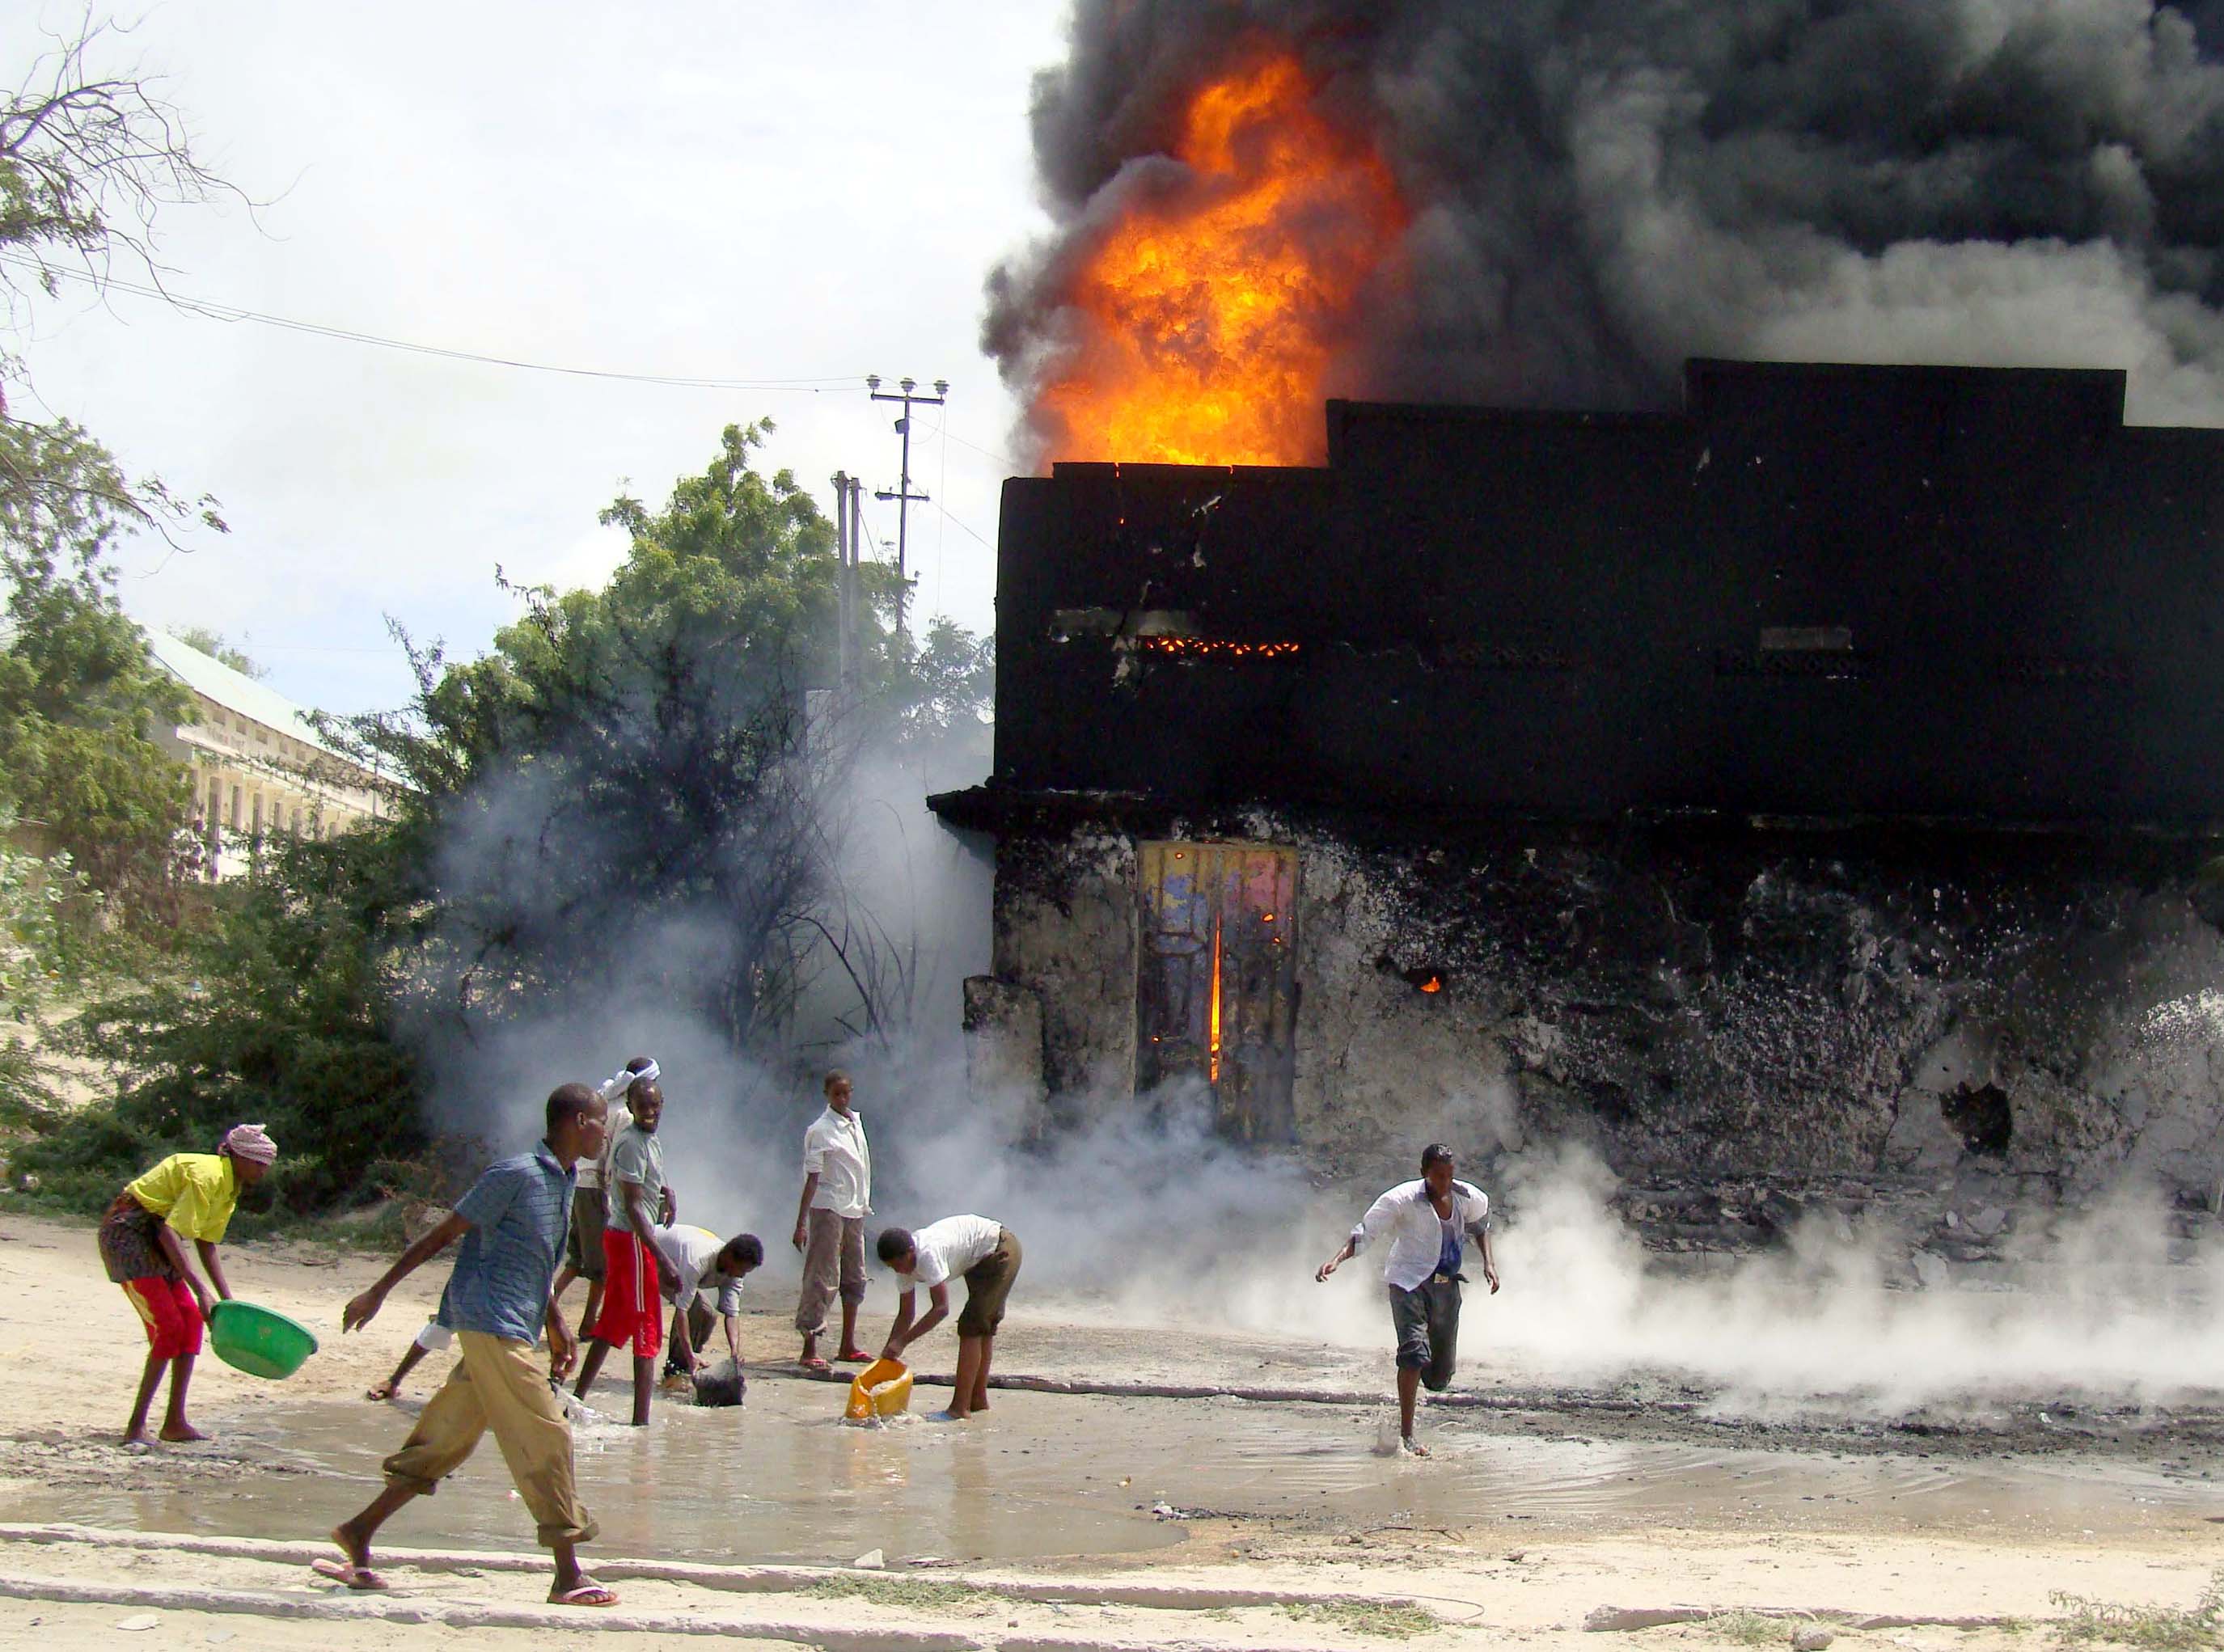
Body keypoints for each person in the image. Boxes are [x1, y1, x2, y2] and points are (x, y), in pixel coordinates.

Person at [322, 1083, 614, 1608]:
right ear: (575, 1121)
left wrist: (556, 1321)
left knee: (445, 1441)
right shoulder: (514, 1174)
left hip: (512, 1324)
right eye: (599, 1121)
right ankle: (568, 1572)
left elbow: (535, 1257)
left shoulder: (565, 1179)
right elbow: (443, 1234)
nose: (605, 1130)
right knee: (549, 1436)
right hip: (489, 1322)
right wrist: (378, 1290)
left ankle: (359, 1531)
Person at [1315, 1143, 1500, 1457]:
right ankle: (1407, 1436)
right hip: (1408, 1284)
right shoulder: (1401, 1200)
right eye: (1437, 1176)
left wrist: (1489, 1264)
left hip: (1447, 1288)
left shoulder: (1467, 1197)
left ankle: (1417, 1370)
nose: (1444, 1183)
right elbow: (1365, 1233)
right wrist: (1337, 1260)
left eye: (1449, 1175)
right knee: (1414, 1353)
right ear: (1423, 1173)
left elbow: (1480, 1228)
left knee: (1440, 1378)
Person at [99, 1122, 279, 1445]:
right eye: (259, 1162)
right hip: (128, 1232)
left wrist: (226, 1300)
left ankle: (174, 1422)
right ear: (240, 1158)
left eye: (267, 1164)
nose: (263, 1170)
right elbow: (170, 1232)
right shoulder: (208, 1175)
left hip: (156, 1234)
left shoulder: (229, 1188)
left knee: (192, 1322)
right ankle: (135, 1427)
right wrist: (201, 1290)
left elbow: (206, 1243)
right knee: (168, 1327)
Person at [572, 1066, 679, 1425]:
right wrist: (663, 1259)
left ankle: (575, 1397)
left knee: (614, 1322)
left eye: (655, 1106)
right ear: (631, 1108)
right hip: (632, 1240)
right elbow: (632, 1205)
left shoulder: (651, 1140)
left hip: (628, 1238)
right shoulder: (632, 1142)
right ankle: (641, 1422)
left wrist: (666, 1192)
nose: (650, 1113)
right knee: (648, 1325)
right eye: (643, 1107)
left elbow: (644, 1186)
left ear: (662, 1105)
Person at [875, 1215, 1020, 1422]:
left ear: (910, 1252)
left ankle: (959, 1409)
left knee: (971, 1327)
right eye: (892, 1268)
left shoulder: (927, 1254)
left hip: (999, 1250)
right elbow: (906, 1313)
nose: (898, 1270)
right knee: (982, 1329)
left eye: (898, 1264)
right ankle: (977, 1400)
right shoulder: (904, 1267)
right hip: (978, 1260)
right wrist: (889, 1352)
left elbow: (941, 1309)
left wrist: (903, 1341)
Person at [550, 1058, 645, 1341]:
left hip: (579, 1185)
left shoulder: (605, 1105)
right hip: (596, 1191)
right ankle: (589, 1322)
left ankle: (544, 1307)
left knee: (577, 1259)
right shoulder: (625, 1116)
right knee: (601, 1267)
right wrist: (610, 1197)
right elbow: (613, 1161)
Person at [792, 1069, 872, 1371]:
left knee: (855, 1276)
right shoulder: (821, 1130)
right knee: (822, 1276)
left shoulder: (855, 1122)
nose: (842, 1098)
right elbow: (812, 1178)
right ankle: (809, 1345)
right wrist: (801, 1222)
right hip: (828, 1208)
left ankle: (847, 1344)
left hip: (855, 1208)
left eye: (847, 1092)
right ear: (827, 1094)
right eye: (837, 1093)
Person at [652, 1223, 763, 1390]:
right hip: (650, 1250)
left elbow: (732, 1314)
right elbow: (682, 1311)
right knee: (696, 1309)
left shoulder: (735, 1273)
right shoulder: (697, 1262)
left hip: (675, 1265)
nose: (741, 1275)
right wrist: (689, 1355)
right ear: (729, 1257)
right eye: (741, 1269)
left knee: (708, 1315)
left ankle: (687, 1364)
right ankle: (675, 1368)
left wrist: (734, 1352)